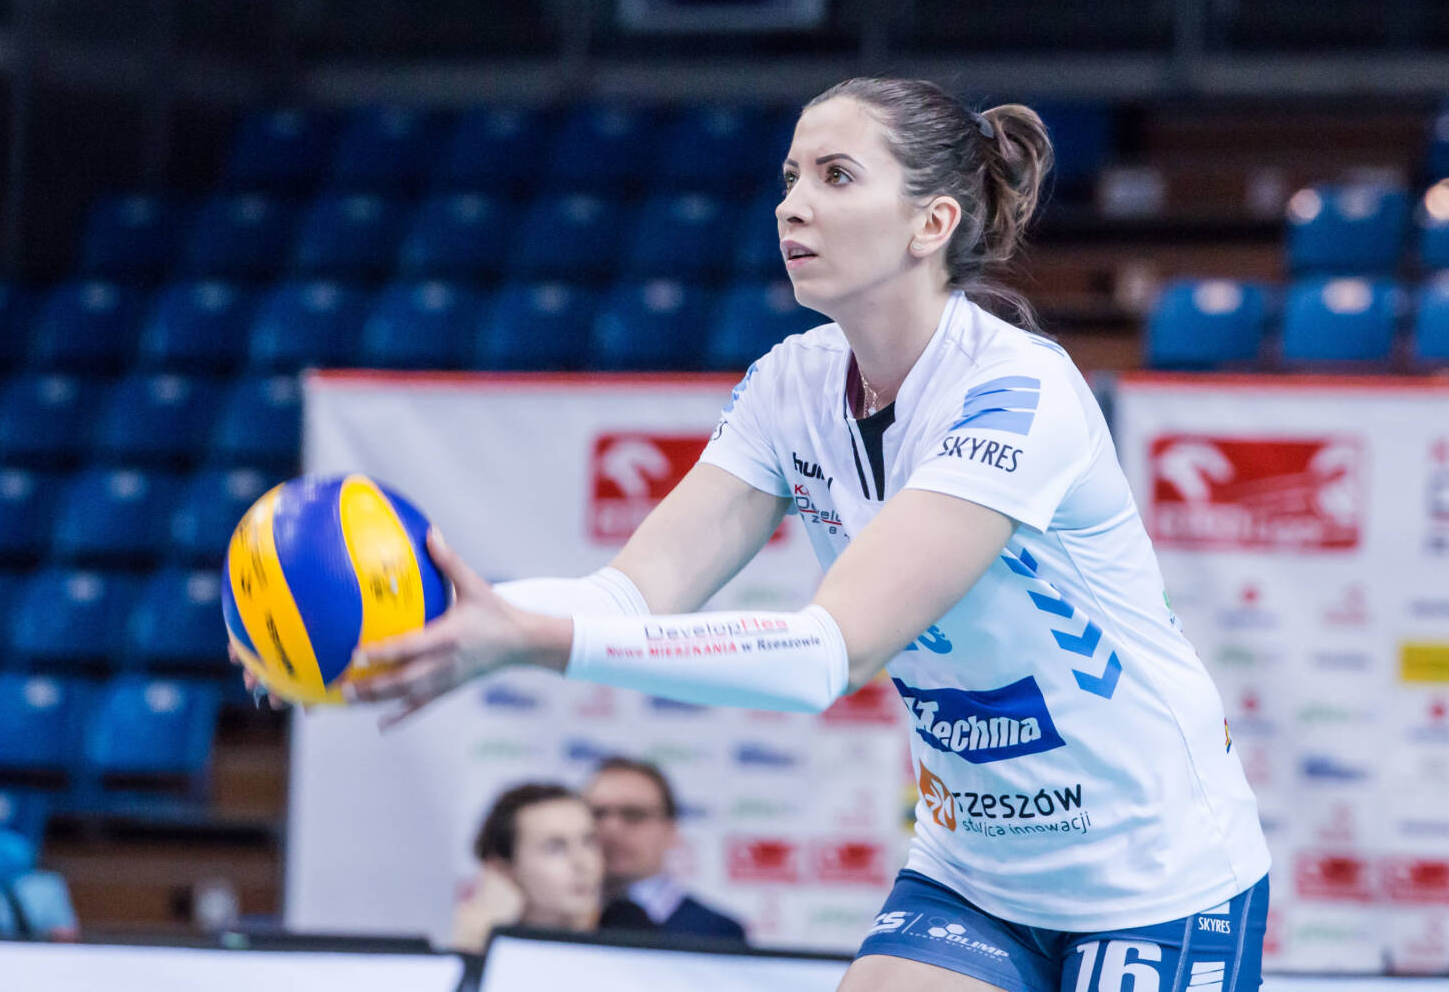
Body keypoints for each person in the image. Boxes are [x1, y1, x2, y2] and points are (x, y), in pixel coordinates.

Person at [255, 76, 1269, 991]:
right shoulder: (790, 385)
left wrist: (528, 640)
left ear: (932, 222)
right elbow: (627, 595)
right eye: (790, 176)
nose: (792, 204)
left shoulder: (1016, 392)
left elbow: (830, 650)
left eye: (836, 175)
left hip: (1155, 870)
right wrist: (423, 630)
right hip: (977, 870)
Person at [449, 782, 652, 953]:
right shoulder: (476, 944)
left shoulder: (631, 929)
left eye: (589, 842)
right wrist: (481, 944)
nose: (582, 863)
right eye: (555, 848)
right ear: (504, 869)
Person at [584, 756, 744, 942]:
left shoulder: (719, 932)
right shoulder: (561, 920)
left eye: (633, 814)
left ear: (671, 829)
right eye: (597, 814)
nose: (612, 828)